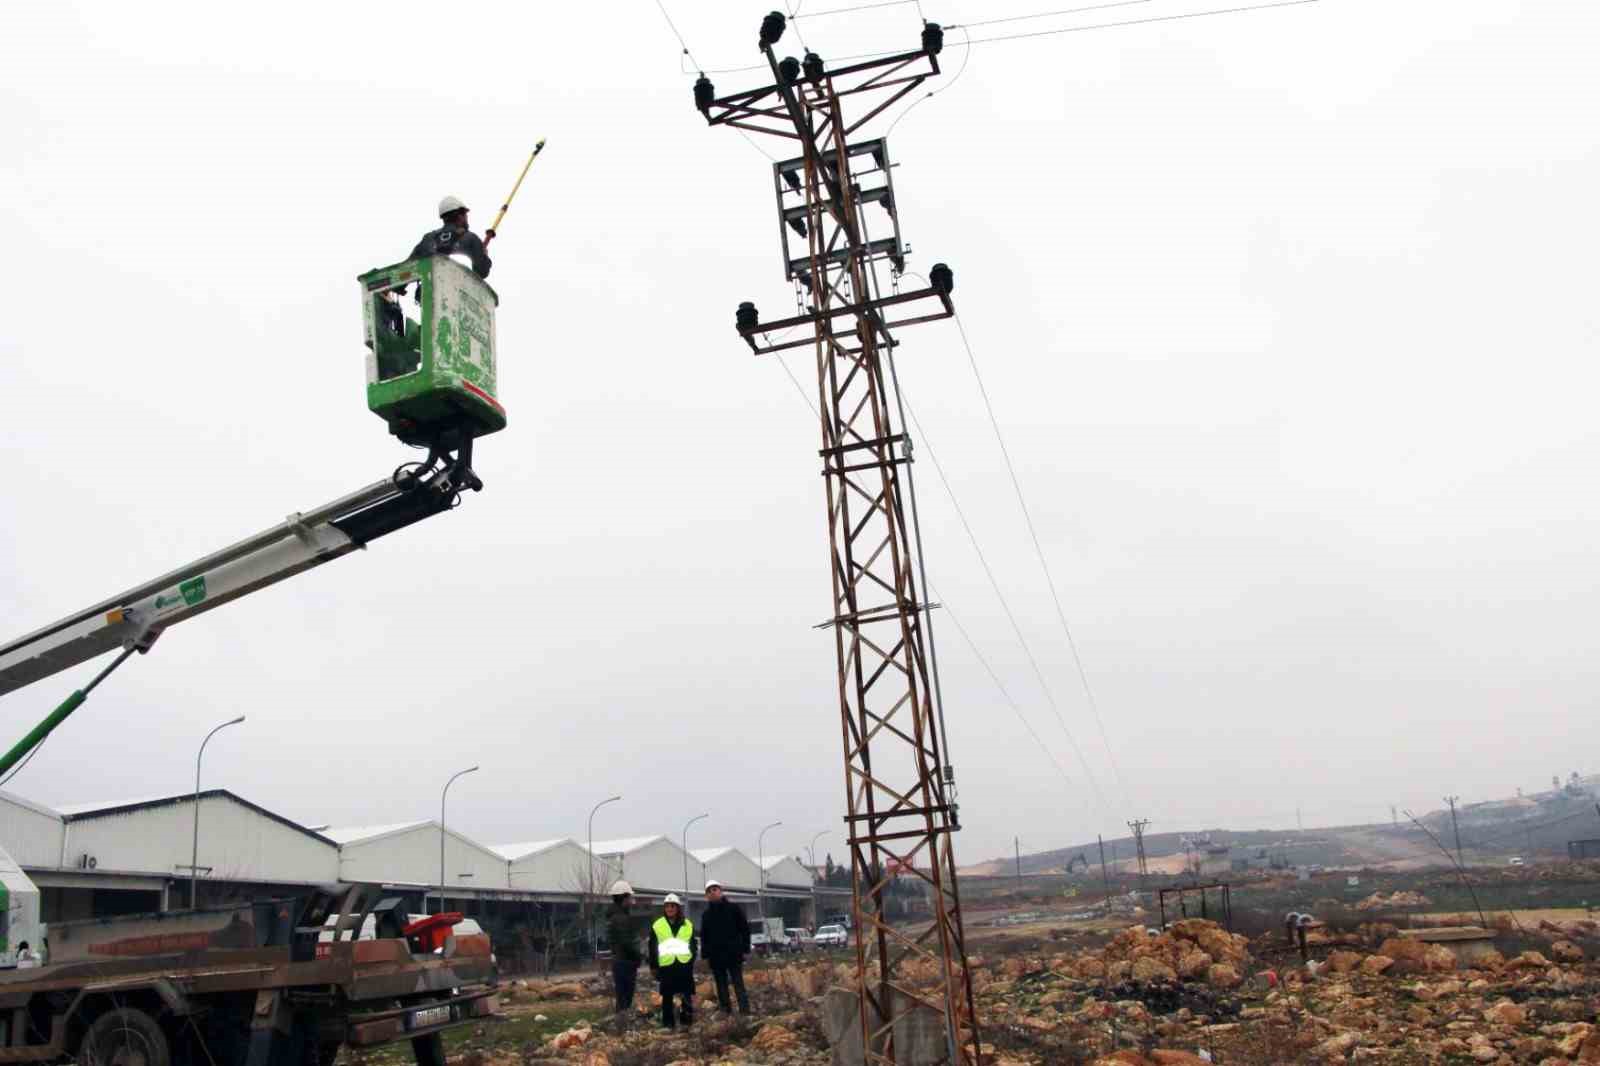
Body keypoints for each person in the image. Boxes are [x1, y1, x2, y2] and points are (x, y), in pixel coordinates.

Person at [698, 879, 751, 1015]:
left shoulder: (734, 909)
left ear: (721, 891)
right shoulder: (706, 915)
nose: (712, 893)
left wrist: (745, 948)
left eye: (715, 889)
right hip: (716, 957)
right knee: (721, 986)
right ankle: (726, 1012)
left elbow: (744, 929)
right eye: (709, 891)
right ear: (706, 896)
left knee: (738, 983)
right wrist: (705, 955)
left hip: (734, 954)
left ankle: (745, 1011)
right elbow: (704, 936)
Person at [409, 196, 492, 279]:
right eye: (465, 215)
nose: (467, 217)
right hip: (457, 286)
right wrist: (484, 256)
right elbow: (482, 272)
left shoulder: (428, 238)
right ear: (460, 216)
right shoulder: (470, 238)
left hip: (429, 285)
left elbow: (407, 267)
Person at [647, 893, 696, 1029]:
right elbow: (652, 947)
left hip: (684, 965)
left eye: (672, 906)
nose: (670, 909)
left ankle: (686, 1022)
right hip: (666, 965)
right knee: (667, 995)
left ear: (678, 908)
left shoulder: (687, 924)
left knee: (686, 994)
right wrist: (653, 966)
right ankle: (668, 1024)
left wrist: (691, 960)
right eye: (667, 906)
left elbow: (693, 945)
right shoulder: (658, 925)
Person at [605, 880, 643, 1020]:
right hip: (625, 962)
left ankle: (621, 1023)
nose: (631, 900)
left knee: (622, 997)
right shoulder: (621, 918)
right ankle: (622, 1025)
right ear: (623, 898)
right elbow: (627, 943)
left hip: (619, 961)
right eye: (629, 897)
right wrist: (638, 956)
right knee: (625, 998)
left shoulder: (614, 916)